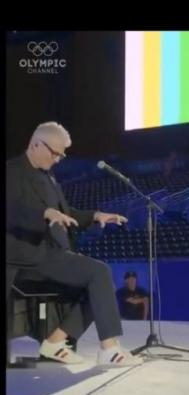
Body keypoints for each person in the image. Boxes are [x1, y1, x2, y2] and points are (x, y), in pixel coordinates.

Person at [6, 122, 143, 365]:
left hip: (54, 252)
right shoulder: (12, 171)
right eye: (55, 153)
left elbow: (66, 213)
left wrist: (94, 216)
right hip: (28, 256)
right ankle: (109, 348)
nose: (58, 159)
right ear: (36, 143)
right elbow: (12, 211)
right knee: (99, 271)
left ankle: (55, 342)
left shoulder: (48, 176)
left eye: (61, 154)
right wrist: (44, 214)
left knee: (100, 285)